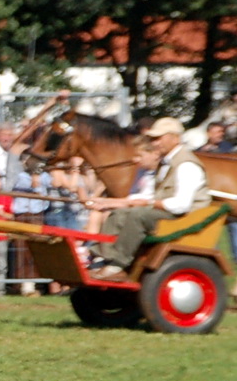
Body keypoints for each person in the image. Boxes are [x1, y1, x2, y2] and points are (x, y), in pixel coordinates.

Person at [89, 118, 211, 279]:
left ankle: (118, 265)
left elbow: (181, 205)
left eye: (158, 138)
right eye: (153, 139)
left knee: (138, 215)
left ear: (175, 138)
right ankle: (102, 257)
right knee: (120, 213)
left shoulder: (186, 165)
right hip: (167, 211)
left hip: (187, 217)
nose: (154, 143)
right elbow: (152, 195)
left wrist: (148, 203)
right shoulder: (166, 163)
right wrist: (115, 202)